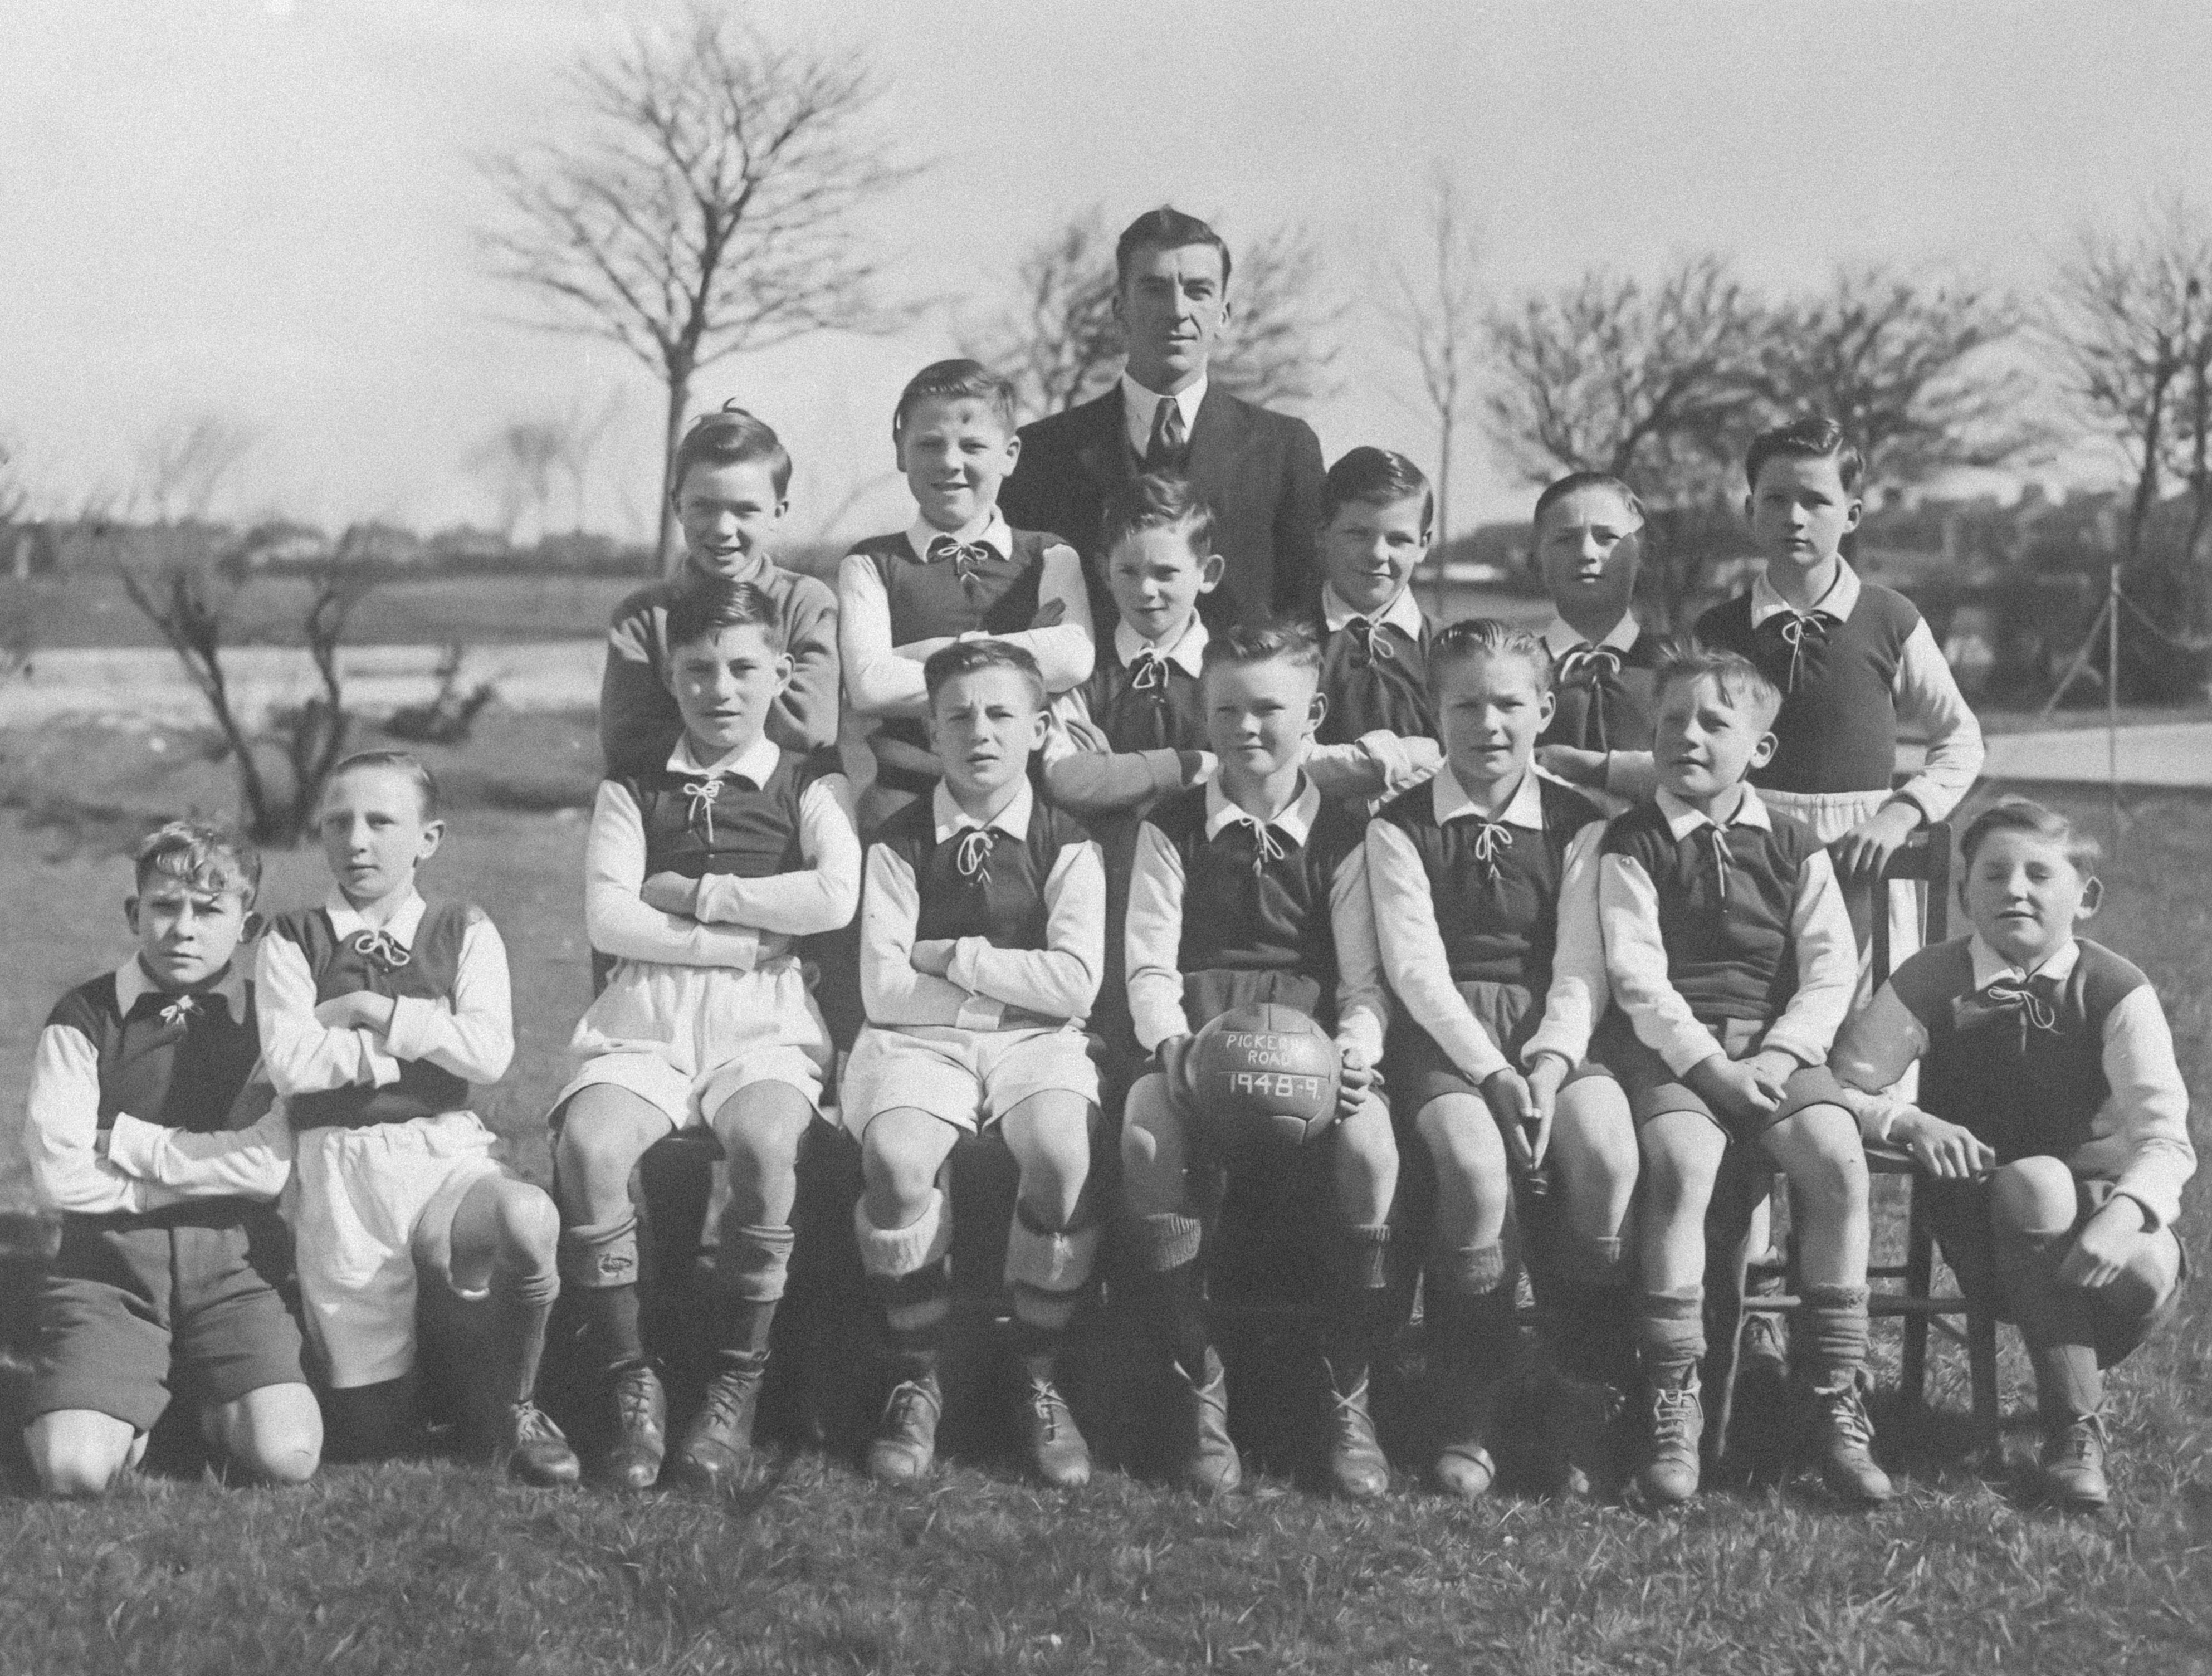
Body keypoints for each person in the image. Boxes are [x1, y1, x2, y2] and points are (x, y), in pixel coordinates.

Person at [550, 580, 860, 1492]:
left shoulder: (811, 777)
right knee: (591, 1144)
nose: (719, 689)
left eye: (741, 668)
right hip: (647, 1013)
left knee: (768, 1142)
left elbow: (832, 897)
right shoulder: (633, 788)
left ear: (781, 672)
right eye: (697, 670)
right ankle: (630, 1385)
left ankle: (737, 1378)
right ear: (671, 677)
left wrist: (697, 894)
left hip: (763, 1016)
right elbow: (609, 919)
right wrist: (744, 936)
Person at [1831, 799, 2193, 1510]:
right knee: (2034, 1181)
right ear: (1965, 892)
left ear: (2084, 899)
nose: (2014, 890)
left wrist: (2127, 1212)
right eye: (1992, 875)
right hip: (1978, 1206)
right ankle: (2074, 1434)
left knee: (2149, 1266)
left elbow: (2166, 1137)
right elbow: (1844, 1084)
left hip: (2099, 1224)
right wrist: (1907, 1122)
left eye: (2037, 874)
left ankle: (2071, 1375)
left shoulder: (2115, 987)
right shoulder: (1931, 977)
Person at [1599, 647, 1889, 1508]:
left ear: (1759, 750)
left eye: (1712, 722)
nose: (1686, 735)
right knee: (1684, 1164)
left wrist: (1778, 1054)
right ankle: (1671, 1400)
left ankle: (1831, 1393)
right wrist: (1711, 1068)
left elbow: (1833, 970)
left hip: (1773, 1050)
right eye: (1669, 722)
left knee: (1834, 1156)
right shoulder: (1632, 843)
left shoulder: (1793, 844)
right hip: (1674, 1054)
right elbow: (1636, 979)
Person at [1120, 621, 1398, 1499]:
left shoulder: (1347, 833)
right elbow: (1147, 964)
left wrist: (1354, 1056)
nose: (1246, 728)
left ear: (1312, 714)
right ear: (1202, 715)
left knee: (1372, 1153)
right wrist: (1170, 1046)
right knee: (1145, 1143)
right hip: (1197, 1036)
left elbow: (1364, 982)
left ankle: (1345, 1389)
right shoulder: (1170, 825)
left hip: (1307, 1044)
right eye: (1225, 709)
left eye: (1267, 709)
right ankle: (1194, 1387)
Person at [1365, 622, 1635, 1499]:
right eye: (1465, 703)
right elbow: (1413, 969)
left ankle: (1575, 1395)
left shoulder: (1578, 825)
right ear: (1433, 711)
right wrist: (1489, 1071)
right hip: (1444, 1037)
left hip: (1555, 1026)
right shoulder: (1396, 827)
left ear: (1544, 710)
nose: (1487, 722)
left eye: (1508, 703)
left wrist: (1551, 1064)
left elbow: (1581, 963)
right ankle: (1467, 1403)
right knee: (1475, 1169)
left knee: (1603, 1153)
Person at [257, 751, 579, 1485]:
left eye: (380, 821)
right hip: (340, 1177)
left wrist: (369, 1011)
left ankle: (514, 1401)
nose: (357, 840)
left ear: (427, 839)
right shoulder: (292, 937)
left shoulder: (461, 927)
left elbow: (489, 1053)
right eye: (339, 822)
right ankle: (430, 1355)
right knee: (372, 1436)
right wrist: (424, 1042)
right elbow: (291, 1064)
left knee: (528, 1219)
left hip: (440, 1160)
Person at [841, 640, 1108, 1489]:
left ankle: (1037, 1369)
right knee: (894, 1161)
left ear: (1039, 729)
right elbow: (883, 991)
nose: (978, 733)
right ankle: (915, 1371)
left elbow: (1074, 984)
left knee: (1062, 1156)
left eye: (1000, 714)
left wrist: (953, 955)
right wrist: (1004, 992)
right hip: (921, 1040)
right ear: (930, 728)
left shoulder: (1068, 841)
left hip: (1037, 1042)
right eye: (956, 716)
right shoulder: (896, 840)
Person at [19, 822, 319, 1496]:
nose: (184, 928)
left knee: (287, 1456)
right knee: (72, 1471)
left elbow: (269, 1167)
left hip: (234, 1271)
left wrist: (127, 1146)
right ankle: (120, 1400)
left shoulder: (270, 1021)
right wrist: (204, 1177)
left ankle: (188, 1399)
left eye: (209, 910)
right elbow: (59, 1176)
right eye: (164, 906)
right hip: (110, 1273)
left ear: (248, 924)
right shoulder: (84, 1016)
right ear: (135, 913)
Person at [999, 206, 1327, 629]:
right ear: (1120, 309)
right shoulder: (1043, 454)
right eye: (1154, 288)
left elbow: (1306, 609)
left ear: (1224, 313)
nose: (1176, 310)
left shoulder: (1283, 449)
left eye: (1198, 290)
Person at [838, 358, 1095, 829]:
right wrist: (1020, 658)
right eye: (929, 444)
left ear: (1010, 454)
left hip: (1026, 800)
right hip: (906, 798)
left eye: (973, 445)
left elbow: (1074, 657)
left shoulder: (1049, 555)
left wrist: (925, 655)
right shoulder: (870, 563)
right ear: (900, 451)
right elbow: (870, 685)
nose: (950, 462)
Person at [1039, 470, 1220, 1072]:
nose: (1146, 591)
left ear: (1207, 574)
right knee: (1109, 1046)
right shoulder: (1081, 674)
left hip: (1201, 887)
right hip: (1105, 887)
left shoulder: (1227, 673)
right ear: (1101, 570)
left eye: (1166, 573)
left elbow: (1246, 774)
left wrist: (1117, 774)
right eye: (1128, 572)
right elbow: (1068, 780)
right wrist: (1188, 767)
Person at [599, 403, 841, 778]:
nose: (723, 528)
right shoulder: (643, 618)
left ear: (777, 513)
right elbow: (630, 742)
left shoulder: (805, 604)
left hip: (783, 813)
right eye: (703, 507)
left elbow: (807, 732)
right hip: (673, 813)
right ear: (677, 505)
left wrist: (692, 708)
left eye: (745, 510)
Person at [1303, 447, 1444, 809]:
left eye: (1398, 539)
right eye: (1357, 534)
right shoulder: (1285, 646)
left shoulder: (1451, 649)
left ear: (1424, 545)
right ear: (1322, 533)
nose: (1378, 554)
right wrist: (1403, 756)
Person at [1527, 472, 1661, 810]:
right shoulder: (1515, 668)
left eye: (1607, 537)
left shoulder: (1678, 666)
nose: (1587, 552)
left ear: (1639, 551)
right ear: (1539, 557)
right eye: (1565, 540)